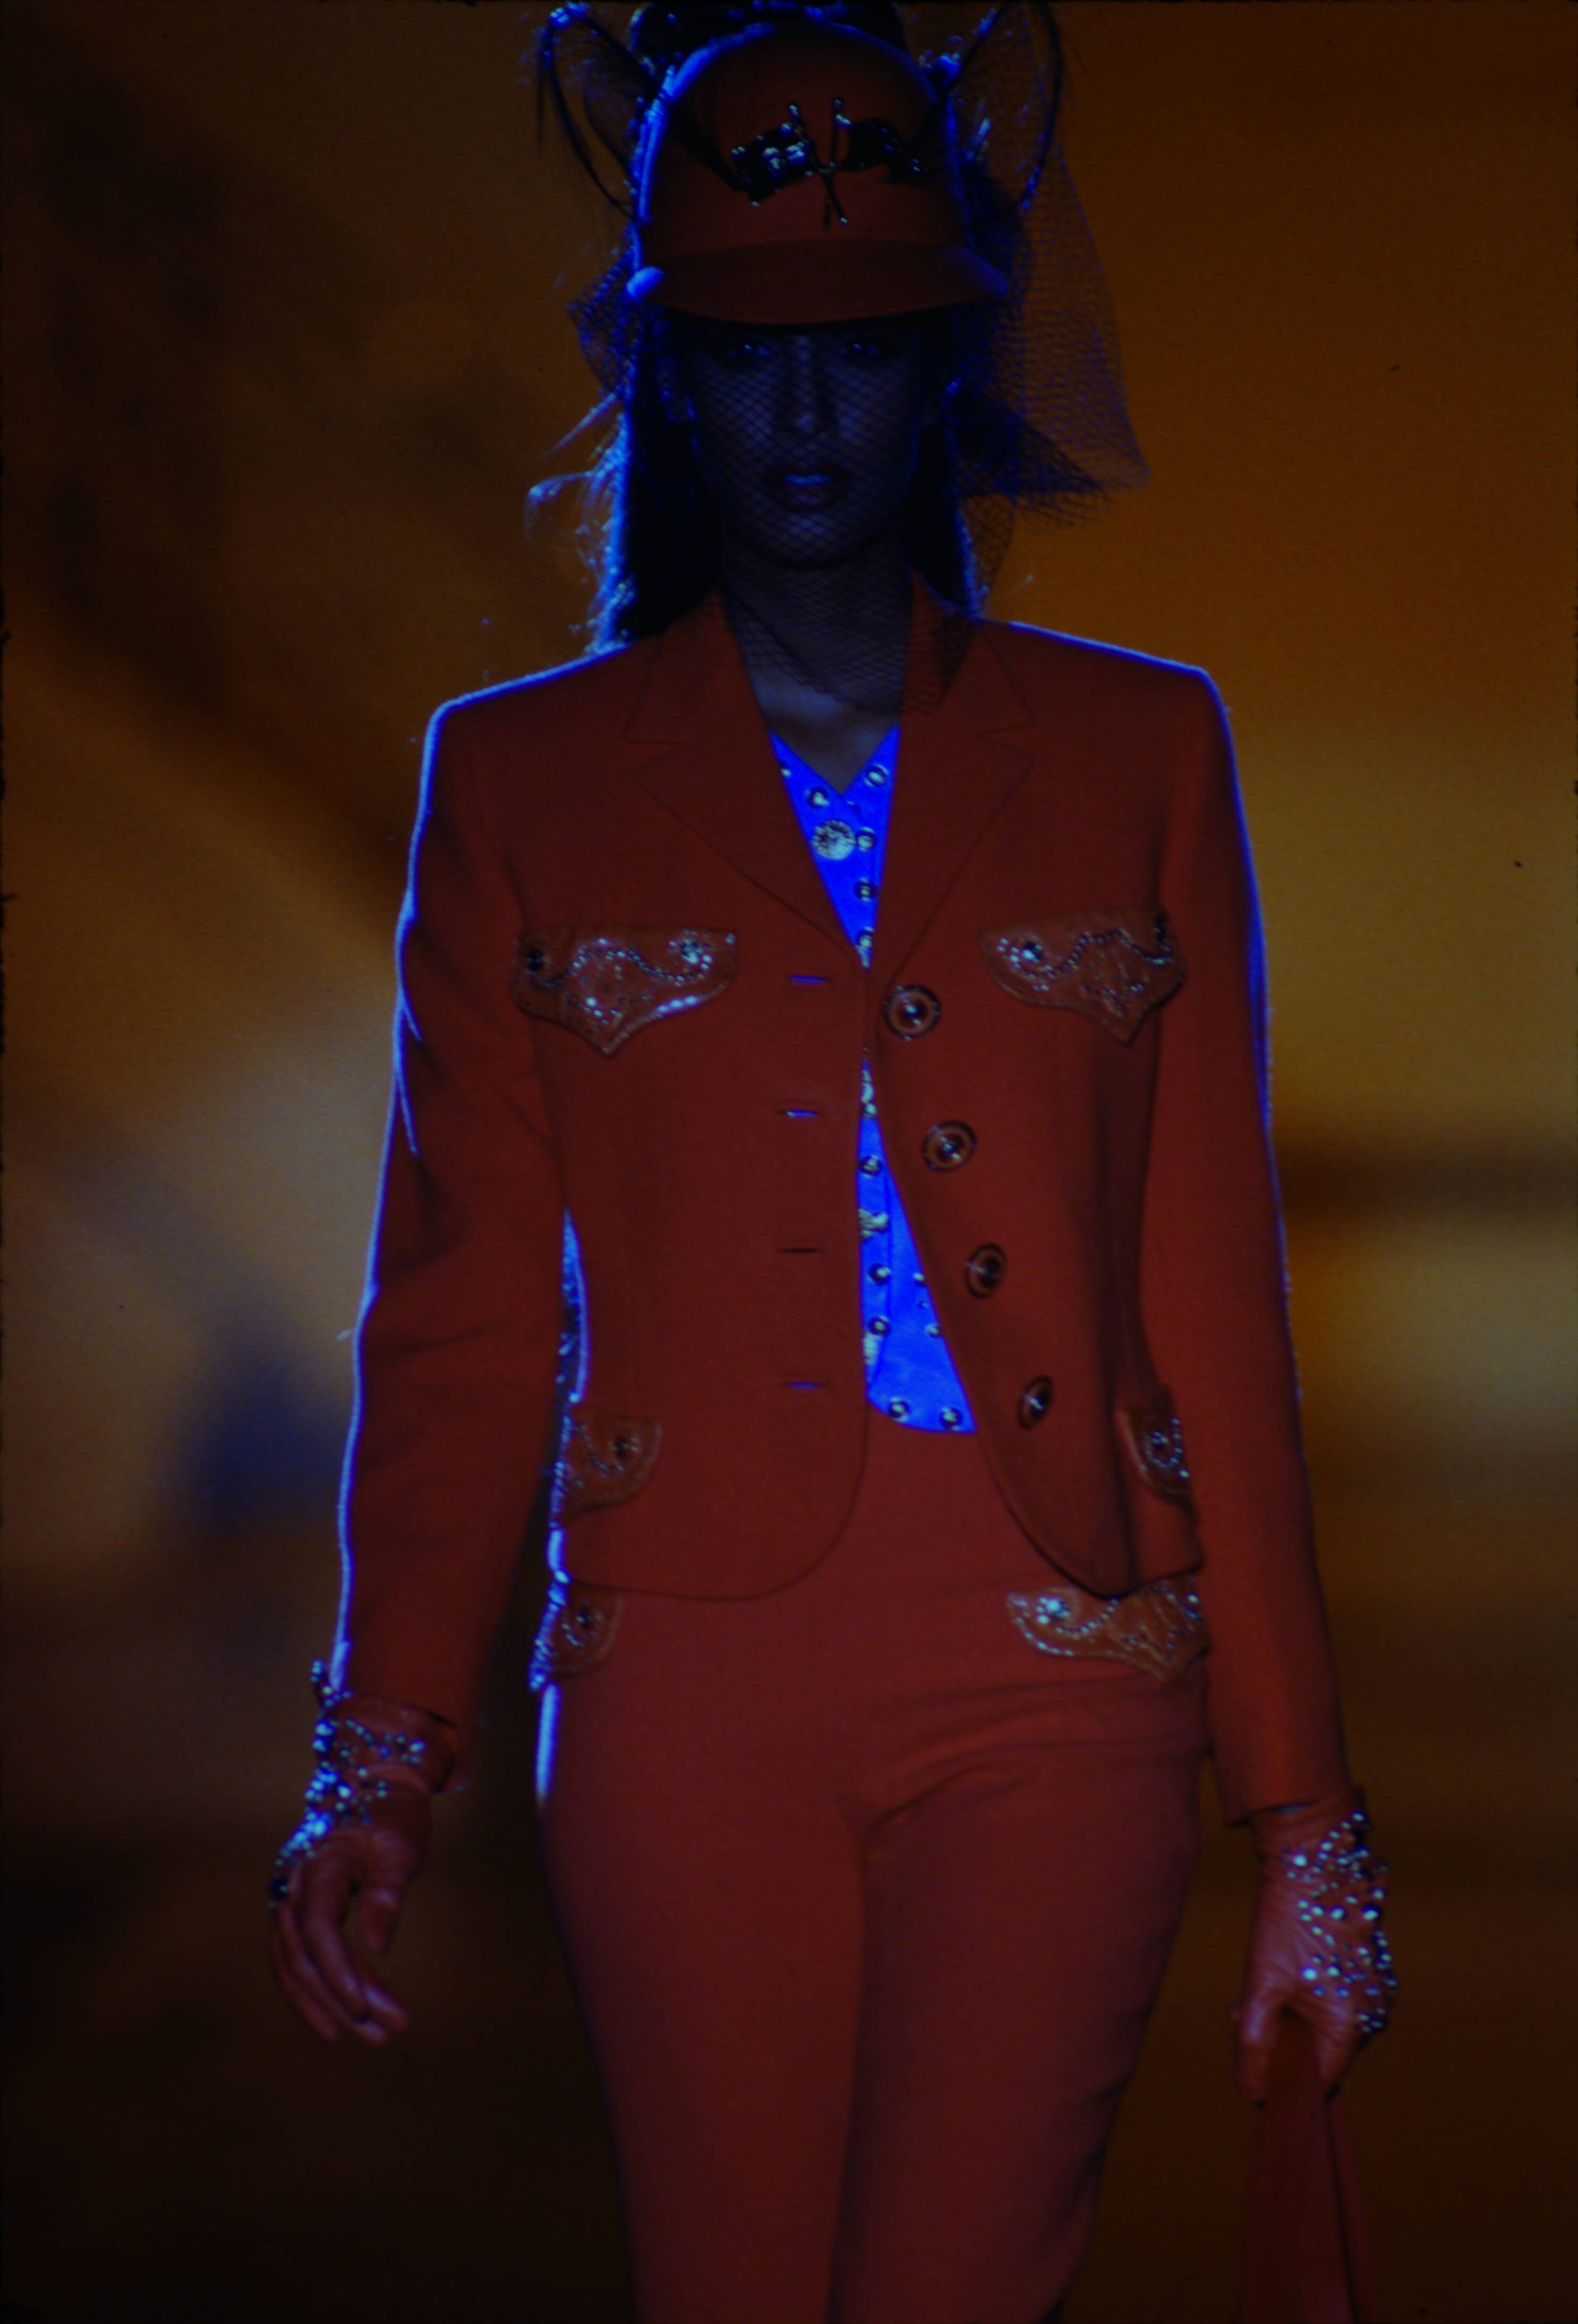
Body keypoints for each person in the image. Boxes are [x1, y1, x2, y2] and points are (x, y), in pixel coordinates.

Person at [267, 7, 1395, 2318]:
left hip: (1063, 1660)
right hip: (678, 1683)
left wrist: (1306, 1819)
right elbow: (461, 1310)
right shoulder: (520, 780)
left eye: (862, 348)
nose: (805, 413)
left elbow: (1211, 1294)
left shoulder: (1136, 749)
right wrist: (381, 1757)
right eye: (749, 350)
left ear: (943, 373)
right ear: (668, 373)